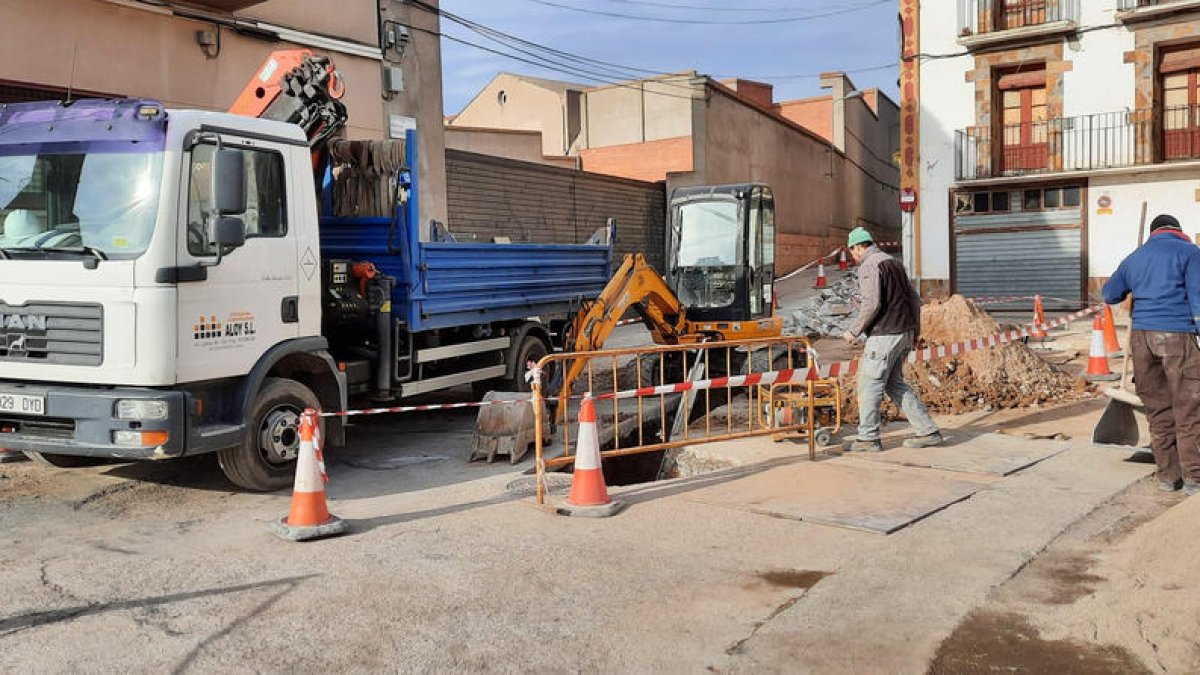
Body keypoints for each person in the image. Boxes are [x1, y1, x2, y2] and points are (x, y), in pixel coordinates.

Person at [1102, 214, 1200, 496]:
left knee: (1158, 410)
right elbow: (1198, 296)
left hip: (1142, 340)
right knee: (1188, 408)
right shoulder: (1191, 253)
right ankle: (1194, 478)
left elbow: (1109, 294)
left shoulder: (1135, 257)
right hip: (1178, 336)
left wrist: (1136, 284)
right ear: (1179, 231)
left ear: (1153, 233)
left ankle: (1168, 477)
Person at [841, 227, 942, 451]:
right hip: (904, 332)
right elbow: (914, 299)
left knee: (870, 383)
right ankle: (928, 431)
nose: (853, 256)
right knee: (895, 384)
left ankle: (867, 438)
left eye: (852, 251)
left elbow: (872, 303)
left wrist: (854, 330)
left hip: (885, 334)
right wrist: (915, 332)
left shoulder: (869, 265)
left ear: (858, 247)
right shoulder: (894, 263)